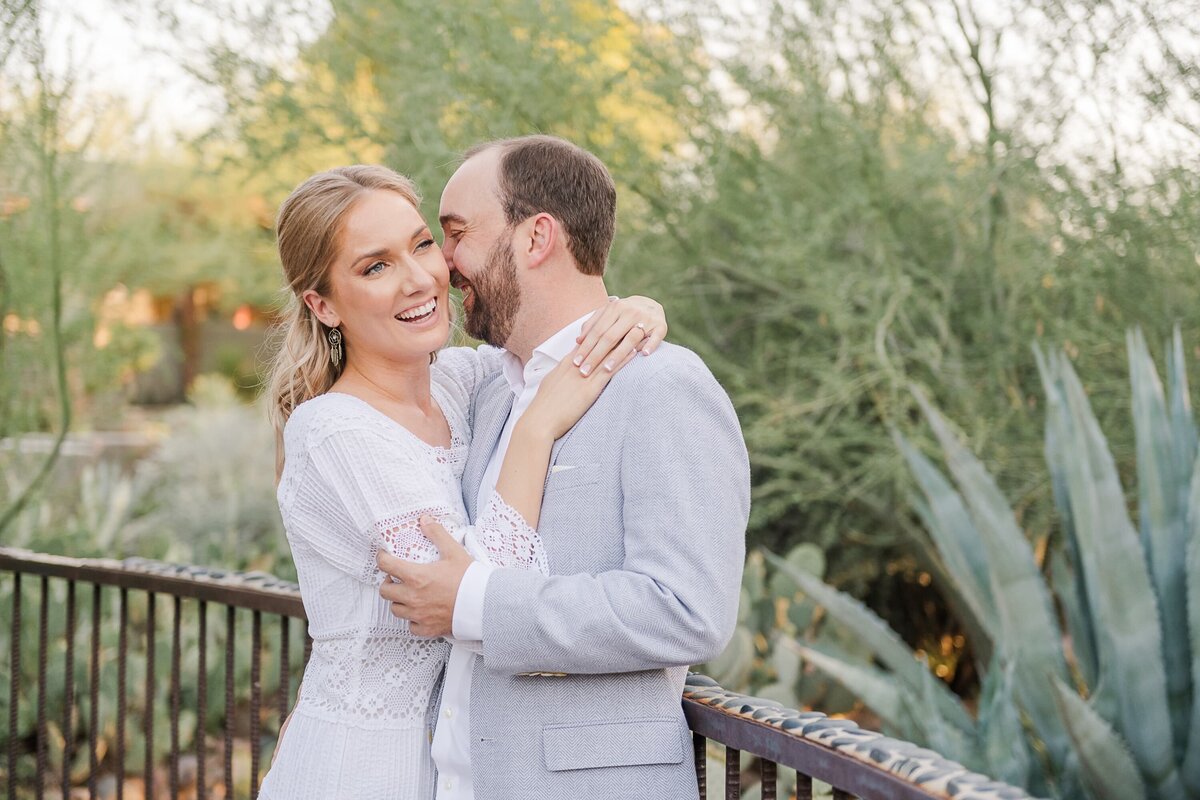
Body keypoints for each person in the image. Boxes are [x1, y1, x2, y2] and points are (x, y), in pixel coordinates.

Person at [257, 164, 668, 799]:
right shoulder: (337, 431)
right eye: (375, 267)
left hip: (461, 766)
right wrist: (535, 430)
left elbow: (556, 340)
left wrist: (632, 311)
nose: (420, 279)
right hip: (367, 768)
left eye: (423, 245)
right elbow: (466, 591)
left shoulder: (461, 381)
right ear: (323, 305)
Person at [378, 135, 750, 799]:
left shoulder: (663, 387)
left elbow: (687, 609)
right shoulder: (486, 391)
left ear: (537, 237)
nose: (444, 266)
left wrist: (476, 602)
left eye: (456, 234)